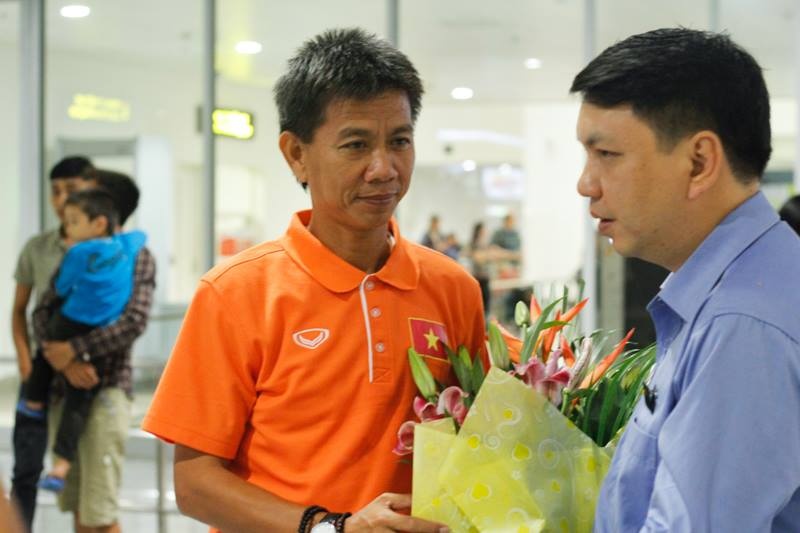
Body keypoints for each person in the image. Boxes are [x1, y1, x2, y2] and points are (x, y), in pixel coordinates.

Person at [142, 28, 486, 533]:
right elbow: (195, 485)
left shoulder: (453, 287)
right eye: (356, 145)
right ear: (296, 154)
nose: (383, 169)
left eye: (399, 141)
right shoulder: (235, 293)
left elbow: (478, 440)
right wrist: (331, 528)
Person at [570, 28, 800, 531]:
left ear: (699, 163)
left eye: (606, 154)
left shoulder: (741, 325)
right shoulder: (746, 287)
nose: (586, 184)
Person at [33, 169, 156, 533]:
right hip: (62, 389)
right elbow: (43, 310)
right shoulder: (77, 253)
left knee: (100, 510)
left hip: (106, 389)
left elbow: (133, 321)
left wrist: (74, 351)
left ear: (105, 211)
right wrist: (62, 360)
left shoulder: (138, 256)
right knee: (76, 504)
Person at [10, 155, 95, 531]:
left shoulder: (104, 249)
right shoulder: (38, 247)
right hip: (39, 371)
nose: (61, 199)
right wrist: (26, 361)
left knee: (83, 483)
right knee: (25, 469)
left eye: (71, 190)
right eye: (55, 191)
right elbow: (21, 311)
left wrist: (74, 359)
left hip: (83, 374)